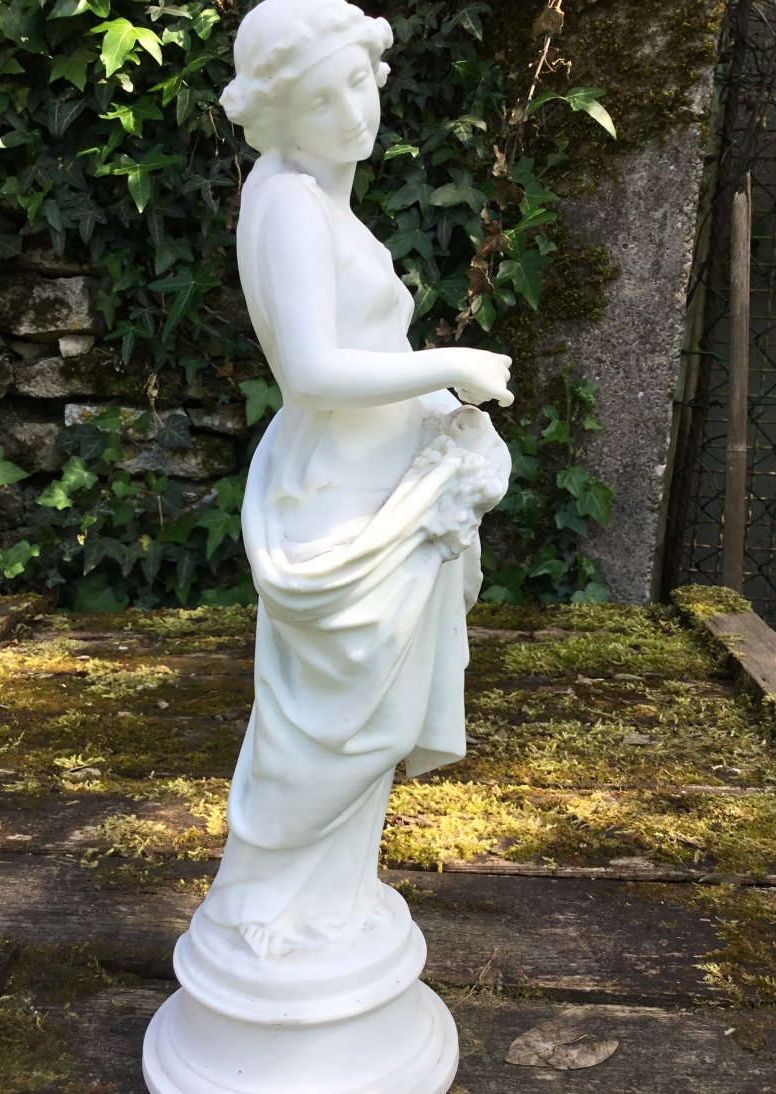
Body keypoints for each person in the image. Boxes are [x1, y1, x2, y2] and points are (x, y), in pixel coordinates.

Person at [204, 0, 513, 959]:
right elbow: (312, 373)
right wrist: (447, 365)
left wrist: (437, 422)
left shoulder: (315, 197)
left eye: (359, 81)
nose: (355, 109)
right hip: (341, 501)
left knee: (368, 724)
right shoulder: (289, 204)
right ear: (280, 111)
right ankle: (260, 906)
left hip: (386, 488)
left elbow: (361, 345)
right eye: (322, 94)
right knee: (327, 729)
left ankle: (331, 901)